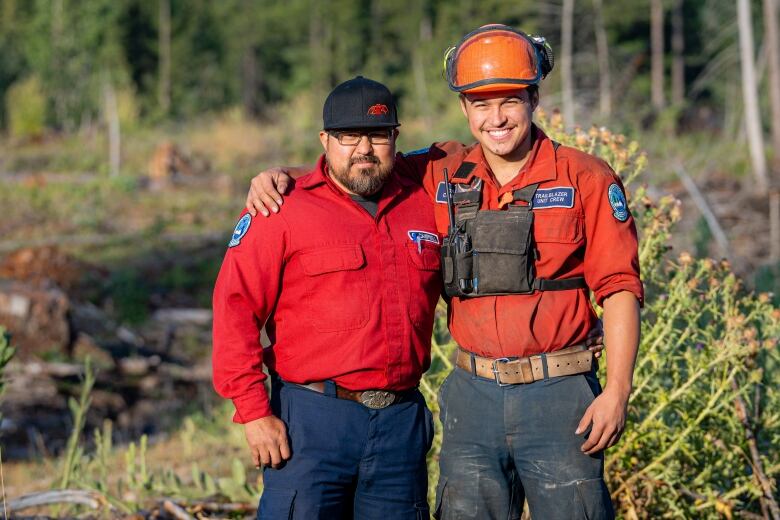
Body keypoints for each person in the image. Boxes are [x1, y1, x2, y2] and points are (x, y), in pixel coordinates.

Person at [245, 24, 641, 520]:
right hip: (472, 396)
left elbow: (620, 288)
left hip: (559, 395)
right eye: (480, 103)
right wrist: (281, 178)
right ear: (464, 109)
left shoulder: (587, 177)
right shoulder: (440, 171)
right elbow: (358, 165)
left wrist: (617, 392)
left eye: (510, 101)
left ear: (534, 99)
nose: (495, 118)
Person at [211, 76, 443, 519]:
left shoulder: (424, 200)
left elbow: (475, 153)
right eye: (348, 136)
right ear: (325, 140)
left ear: (395, 138)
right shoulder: (279, 208)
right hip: (311, 423)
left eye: (377, 135)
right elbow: (234, 308)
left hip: (400, 424)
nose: (363, 149)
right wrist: (254, 413)